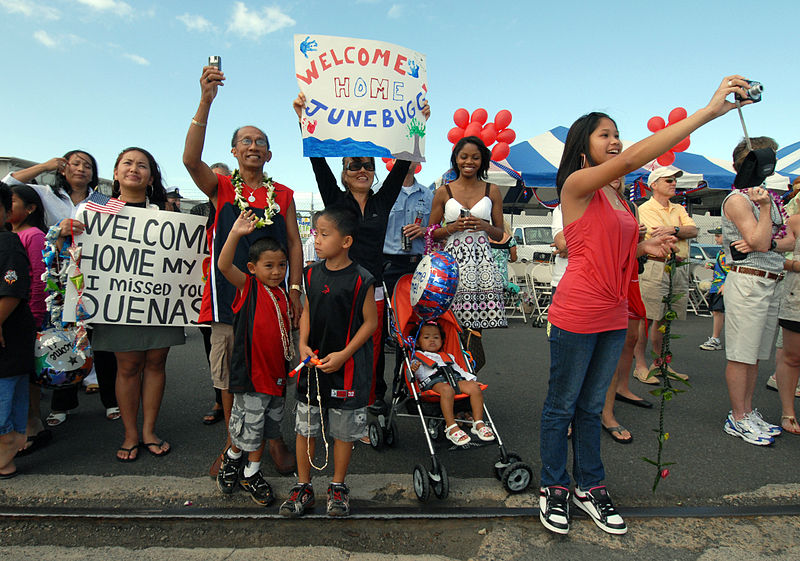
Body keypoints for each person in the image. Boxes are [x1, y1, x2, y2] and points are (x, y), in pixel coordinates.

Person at [538, 76, 747, 537]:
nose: (615, 142)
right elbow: (635, 159)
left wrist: (644, 247)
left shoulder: (616, 196)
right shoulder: (578, 184)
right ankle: (553, 485)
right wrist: (709, 112)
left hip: (614, 311)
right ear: (583, 147)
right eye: (604, 135)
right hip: (577, 310)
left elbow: (604, 247)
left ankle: (589, 486)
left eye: (617, 134)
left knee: (592, 407)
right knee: (562, 405)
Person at [184, 64, 302, 476]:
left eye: (260, 142)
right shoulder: (221, 187)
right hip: (228, 294)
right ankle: (235, 444)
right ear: (234, 152)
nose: (253, 146)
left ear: (269, 154)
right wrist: (206, 100)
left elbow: (293, 244)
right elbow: (190, 158)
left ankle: (273, 438)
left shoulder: (282, 193)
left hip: (272, 300)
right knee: (231, 376)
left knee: (273, 369)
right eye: (245, 141)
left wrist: (297, 289)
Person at [291, 92, 430, 415]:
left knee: (372, 348)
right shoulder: (335, 199)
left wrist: (420, 123)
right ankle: (327, 397)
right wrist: (302, 119)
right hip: (337, 286)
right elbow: (317, 160)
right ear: (344, 172)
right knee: (334, 343)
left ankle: (369, 401)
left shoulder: (383, 201)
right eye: (354, 165)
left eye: (367, 165)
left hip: (372, 288)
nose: (362, 170)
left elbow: (404, 164)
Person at [3, 151, 119, 435]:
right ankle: (61, 403)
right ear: (63, 168)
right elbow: (8, 183)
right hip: (59, 277)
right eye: (75, 163)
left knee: (101, 336)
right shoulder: (45, 193)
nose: (81, 169)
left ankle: (110, 398)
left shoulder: (102, 200)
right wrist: (44, 166)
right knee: (63, 336)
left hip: (97, 275)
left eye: (88, 166)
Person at [279, 207, 377, 518]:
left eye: (324, 234)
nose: (317, 240)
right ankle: (303, 486)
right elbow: (306, 311)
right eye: (316, 233)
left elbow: (370, 324)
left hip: (346, 369)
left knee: (344, 431)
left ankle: (338, 486)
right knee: (305, 427)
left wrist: (345, 354)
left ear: (346, 240)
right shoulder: (310, 273)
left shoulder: (362, 279)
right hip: (313, 367)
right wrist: (303, 344)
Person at [87, 147, 183, 462]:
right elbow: (77, 241)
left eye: (142, 165)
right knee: (127, 366)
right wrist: (67, 232)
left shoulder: (163, 212)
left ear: (151, 176)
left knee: (156, 363)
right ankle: (130, 434)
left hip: (158, 300)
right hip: (116, 300)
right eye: (127, 163)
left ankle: (149, 431)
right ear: (115, 173)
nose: (134, 169)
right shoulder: (97, 206)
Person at [720, 136, 796, 446]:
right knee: (742, 354)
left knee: (754, 355)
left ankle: (747, 411)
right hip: (750, 280)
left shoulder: (771, 200)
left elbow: (789, 240)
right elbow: (761, 241)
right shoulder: (739, 200)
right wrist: (764, 212)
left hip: (771, 279)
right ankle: (738, 417)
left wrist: (768, 237)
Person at [215, 211, 294, 505]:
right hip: (252, 376)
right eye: (269, 266)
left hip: (276, 378)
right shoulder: (249, 287)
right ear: (252, 267)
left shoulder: (285, 296)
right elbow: (223, 266)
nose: (276, 272)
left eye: (282, 266)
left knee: (264, 428)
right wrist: (235, 233)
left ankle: (242, 466)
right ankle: (242, 466)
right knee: (247, 428)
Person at [633, 166, 697, 384]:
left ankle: (659, 364)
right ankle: (640, 365)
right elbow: (658, 237)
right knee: (646, 318)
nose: (673, 183)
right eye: (668, 180)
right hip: (655, 265)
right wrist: (678, 231)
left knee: (665, 318)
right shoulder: (645, 209)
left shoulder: (678, 208)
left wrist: (673, 230)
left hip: (677, 267)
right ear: (654, 185)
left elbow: (693, 231)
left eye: (674, 180)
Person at [379, 162, 433, 410]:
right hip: (387, 266)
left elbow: (437, 229)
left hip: (416, 266)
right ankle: (376, 393)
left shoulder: (428, 194)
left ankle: (406, 388)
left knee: (410, 330)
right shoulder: (381, 190)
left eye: (413, 155)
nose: (409, 160)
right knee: (378, 331)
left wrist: (425, 231)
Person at [4, 186, 50, 455]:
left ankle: (33, 425)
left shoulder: (33, 236)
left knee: (29, 374)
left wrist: (35, 316)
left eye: (12, 202)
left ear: (30, 208)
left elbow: (38, 279)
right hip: (14, 317)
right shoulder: (10, 235)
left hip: (28, 316)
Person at [0, 182, 36, 479]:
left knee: (6, 396)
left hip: (8, 336)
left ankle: (5, 456)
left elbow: (13, 290)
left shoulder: (8, 242)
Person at [409, 321, 494, 446]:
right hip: (434, 382)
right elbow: (413, 375)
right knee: (447, 390)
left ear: (442, 340)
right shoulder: (418, 357)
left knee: (475, 388)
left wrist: (470, 379)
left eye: (436, 337)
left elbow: (459, 371)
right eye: (426, 337)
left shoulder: (447, 356)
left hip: (454, 379)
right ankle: (451, 426)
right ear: (417, 342)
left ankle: (478, 422)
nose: (432, 340)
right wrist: (412, 369)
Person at [191, 162, 229, 427]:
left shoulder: (237, 207)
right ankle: (219, 399)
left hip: (228, 288)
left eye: (224, 180)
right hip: (201, 290)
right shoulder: (197, 211)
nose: (218, 184)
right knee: (213, 348)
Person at [775, 212, 800, 435]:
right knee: (792, 356)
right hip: (797, 296)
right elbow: (772, 254)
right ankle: (788, 412)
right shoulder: (793, 220)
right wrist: (795, 265)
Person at [699, 228, 728, 351]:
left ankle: (715, 338)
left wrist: (726, 284)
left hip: (722, 286)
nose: (715, 239)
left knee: (718, 311)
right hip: (717, 285)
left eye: (718, 236)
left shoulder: (729, 252)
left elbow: (732, 270)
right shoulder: (721, 252)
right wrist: (712, 266)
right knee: (717, 311)